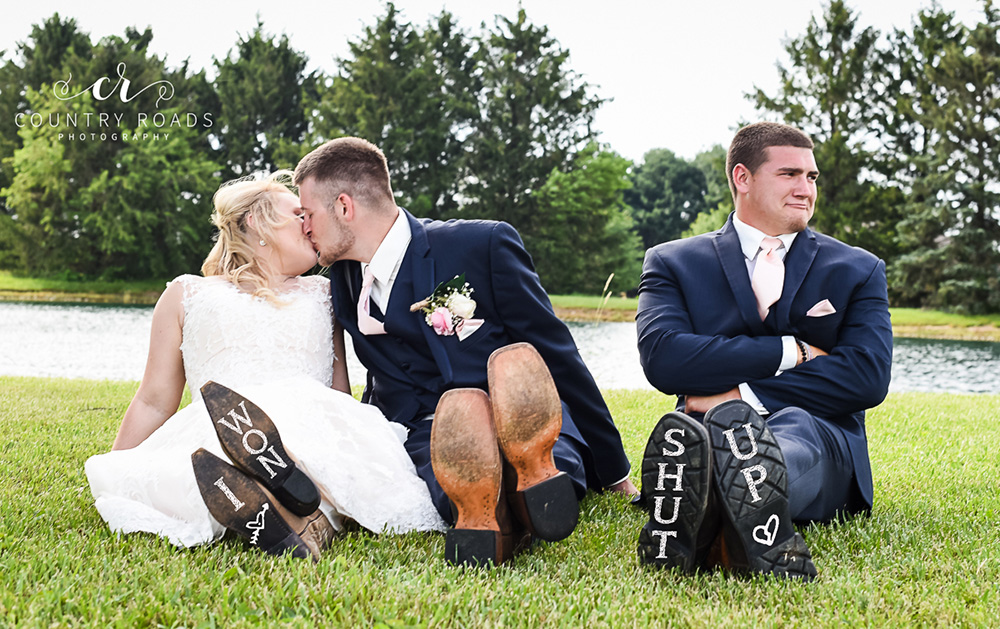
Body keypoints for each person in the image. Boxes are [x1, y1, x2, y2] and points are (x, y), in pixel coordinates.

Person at [293, 137, 638, 566]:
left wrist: (615, 471)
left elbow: (558, 354)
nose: (304, 227)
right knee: (446, 489)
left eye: (307, 214)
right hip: (428, 432)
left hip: (516, 411)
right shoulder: (341, 279)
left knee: (555, 463)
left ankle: (525, 478)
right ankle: (494, 510)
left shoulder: (480, 245)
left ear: (345, 207)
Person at [85, 173, 445, 556]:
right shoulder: (188, 294)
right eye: (297, 214)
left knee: (319, 453)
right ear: (257, 222)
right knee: (209, 458)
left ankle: (285, 503)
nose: (309, 224)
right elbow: (154, 400)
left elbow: (337, 393)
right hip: (227, 425)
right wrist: (119, 466)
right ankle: (273, 497)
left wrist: (356, 438)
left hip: (311, 421)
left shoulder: (324, 292)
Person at [634, 122, 892, 580]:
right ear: (742, 178)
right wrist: (794, 351)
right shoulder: (673, 261)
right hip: (703, 430)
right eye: (790, 174)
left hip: (822, 438)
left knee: (794, 428)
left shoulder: (858, 268)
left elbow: (866, 376)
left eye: (811, 178)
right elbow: (665, 358)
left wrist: (740, 395)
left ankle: (703, 499)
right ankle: (720, 504)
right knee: (713, 436)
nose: (805, 189)